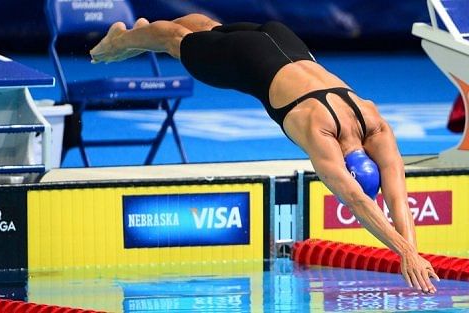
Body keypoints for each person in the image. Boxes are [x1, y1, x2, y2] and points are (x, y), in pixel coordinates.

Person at [90, 13, 440, 293]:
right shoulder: (317, 131)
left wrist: (412, 253)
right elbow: (357, 201)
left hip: (282, 40)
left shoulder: (373, 122)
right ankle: (121, 40)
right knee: (175, 42)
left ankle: (139, 32)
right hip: (245, 61)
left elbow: (398, 196)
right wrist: (405, 252)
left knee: (209, 31)